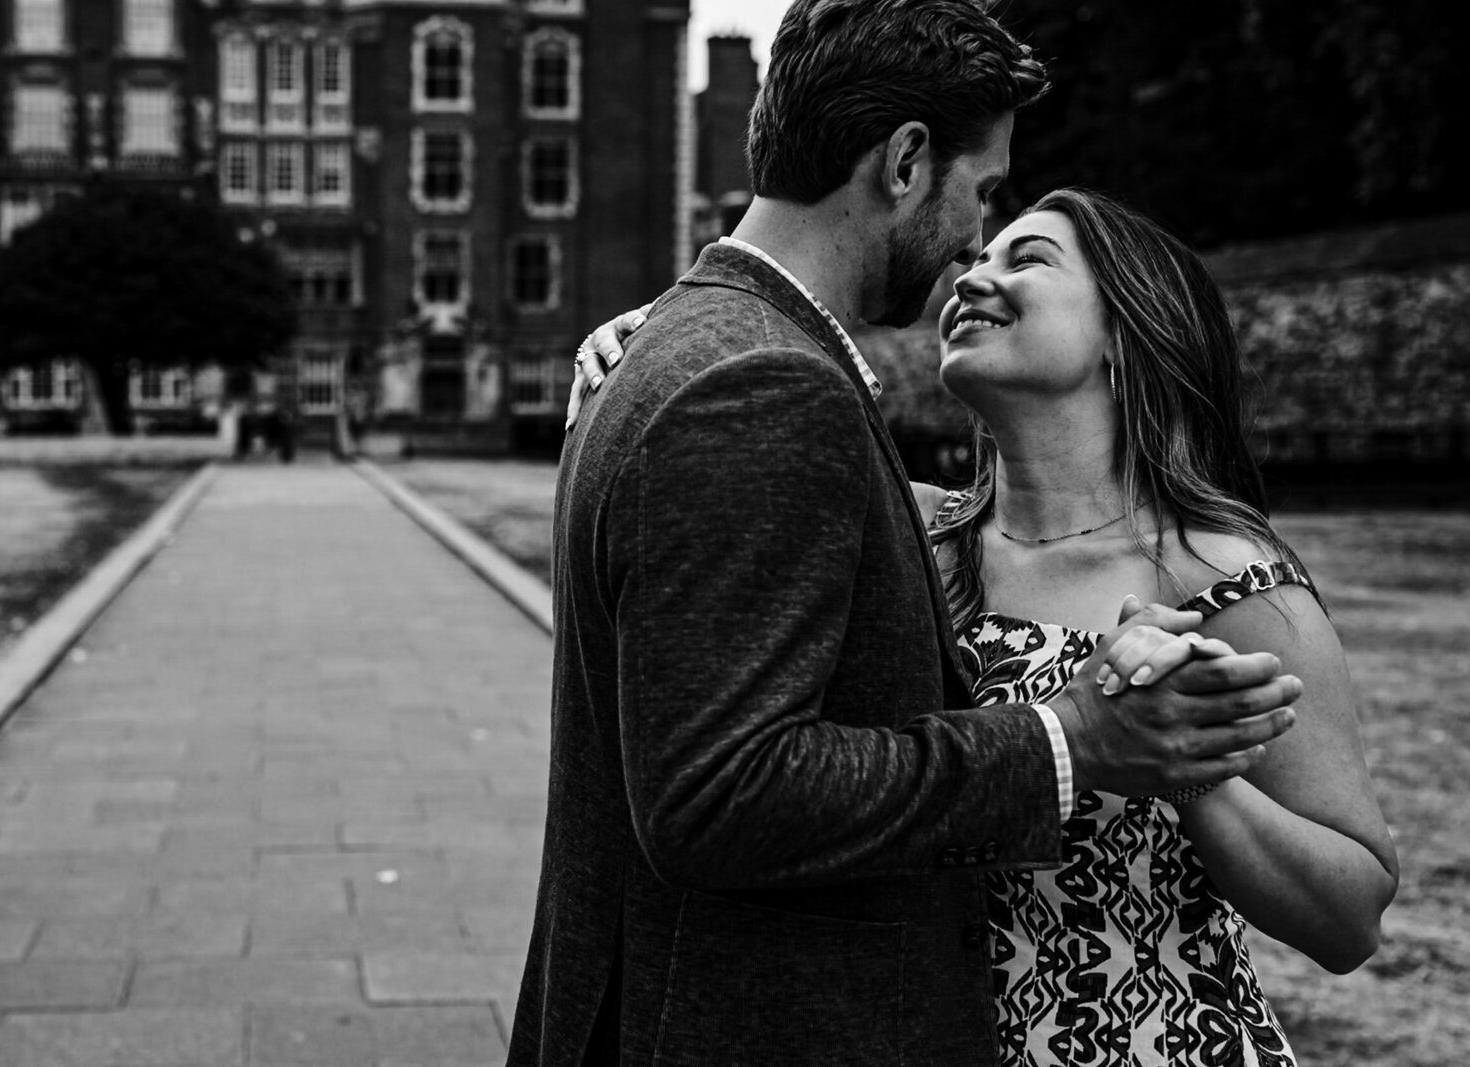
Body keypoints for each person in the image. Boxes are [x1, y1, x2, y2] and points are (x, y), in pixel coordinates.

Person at [513, 3, 1302, 1063]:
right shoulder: (759, 380)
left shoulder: (685, 349)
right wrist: (1073, 738)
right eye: (980, 195)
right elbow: (717, 793)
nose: (975, 245)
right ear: (904, 161)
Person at [573, 187, 1400, 1065]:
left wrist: (1193, 772)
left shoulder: (1228, 578)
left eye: (1028, 260)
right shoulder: (903, 534)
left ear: (1127, 331)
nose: (972, 278)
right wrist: (672, 347)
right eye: (977, 258)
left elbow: (1351, 917)